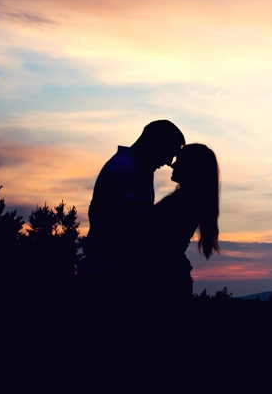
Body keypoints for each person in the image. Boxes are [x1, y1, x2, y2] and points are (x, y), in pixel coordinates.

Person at [77, 120, 185, 297]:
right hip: (109, 276)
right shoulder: (125, 170)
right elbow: (134, 227)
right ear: (156, 143)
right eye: (169, 153)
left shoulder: (133, 169)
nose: (168, 162)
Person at [147, 143, 220, 302]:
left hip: (164, 282)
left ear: (191, 167)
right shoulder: (190, 200)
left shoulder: (183, 203)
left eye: (179, 160)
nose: (173, 164)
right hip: (171, 278)